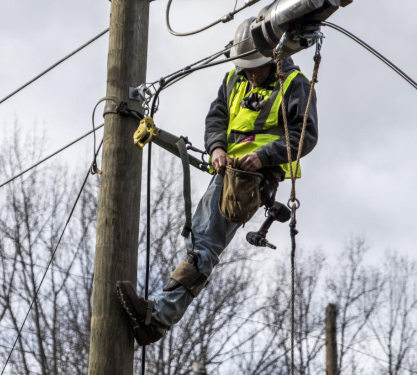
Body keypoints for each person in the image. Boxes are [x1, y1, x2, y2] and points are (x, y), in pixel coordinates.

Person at [116, 17, 320, 346]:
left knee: (204, 242)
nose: (250, 73)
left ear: (273, 59)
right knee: (201, 239)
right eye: (247, 67)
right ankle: (157, 318)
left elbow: (305, 135)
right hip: (227, 170)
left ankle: (158, 316)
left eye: (256, 67)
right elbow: (217, 118)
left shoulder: (294, 83)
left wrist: (265, 156)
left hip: (254, 177)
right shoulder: (234, 78)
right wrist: (217, 148)